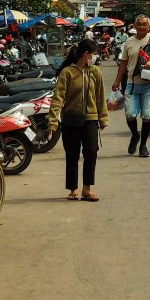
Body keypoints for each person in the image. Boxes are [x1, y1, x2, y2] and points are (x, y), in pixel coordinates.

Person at [50, 37, 107, 201]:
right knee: (72, 155)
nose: (95, 57)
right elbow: (57, 99)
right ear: (86, 54)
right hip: (70, 120)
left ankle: (87, 189)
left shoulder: (95, 71)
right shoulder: (67, 72)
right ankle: (73, 189)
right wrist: (53, 122)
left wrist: (103, 118)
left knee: (91, 152)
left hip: (91, 119)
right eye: (93, 54)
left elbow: (100, 96)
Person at [113, 14, 150, 157]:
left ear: (149, 26)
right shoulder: (128, 42)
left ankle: (143, 145)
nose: (142, 27)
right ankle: (135, 135)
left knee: (147, 116)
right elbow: (123, 63)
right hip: (131, 83)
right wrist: (117, 81)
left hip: (149, 84)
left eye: (145, 24)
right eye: (140, 24)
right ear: (135, 26)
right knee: (130, 114)